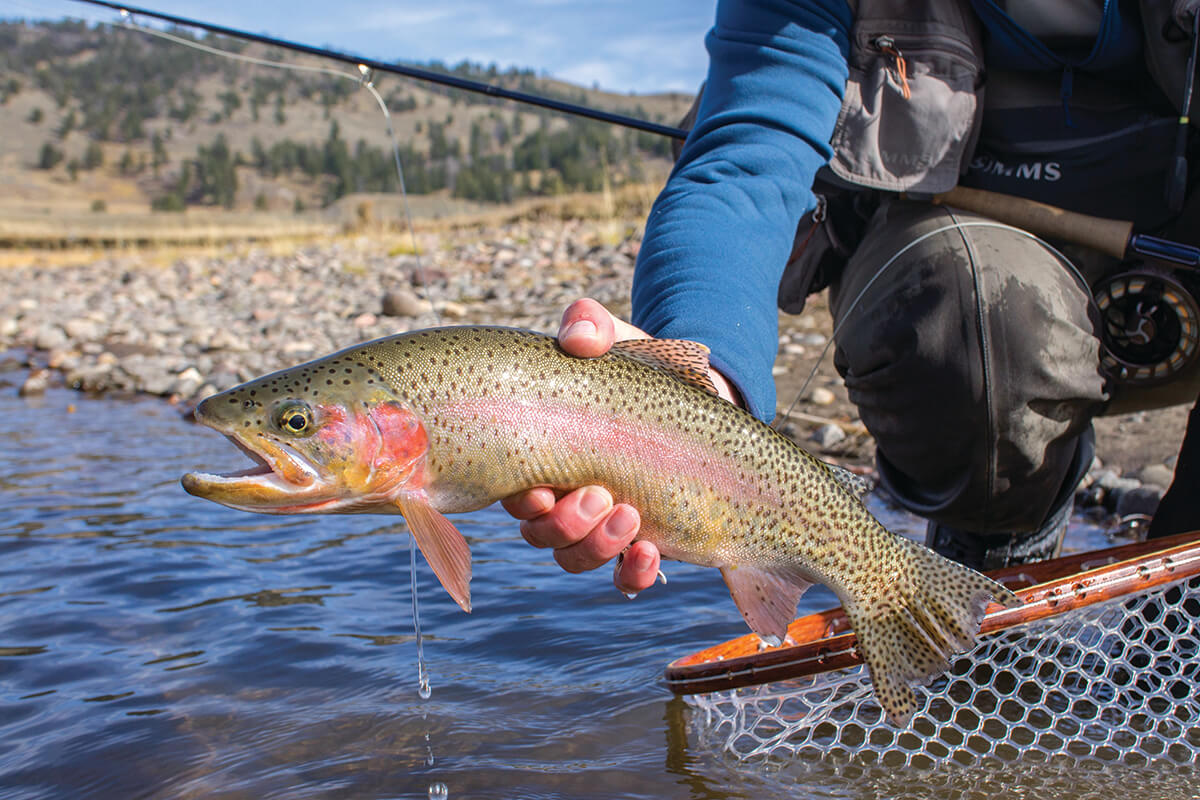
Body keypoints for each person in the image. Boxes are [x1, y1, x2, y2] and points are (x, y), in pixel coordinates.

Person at [505, 0, 1200, 595]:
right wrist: (699, 393)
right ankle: (993, 567)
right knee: (966, 324)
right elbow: (748, 161)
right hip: (959, 271)